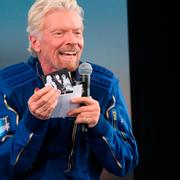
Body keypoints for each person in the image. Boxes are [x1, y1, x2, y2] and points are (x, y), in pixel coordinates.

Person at [0, 0, 139, 179]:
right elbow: (4, 167)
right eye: (59, 33)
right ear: (35, 42)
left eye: (77, 32)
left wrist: (100, 126)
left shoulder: (104, 84)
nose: (73, 41)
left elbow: (126, 163)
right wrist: (32, 121)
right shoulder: (8, 84)